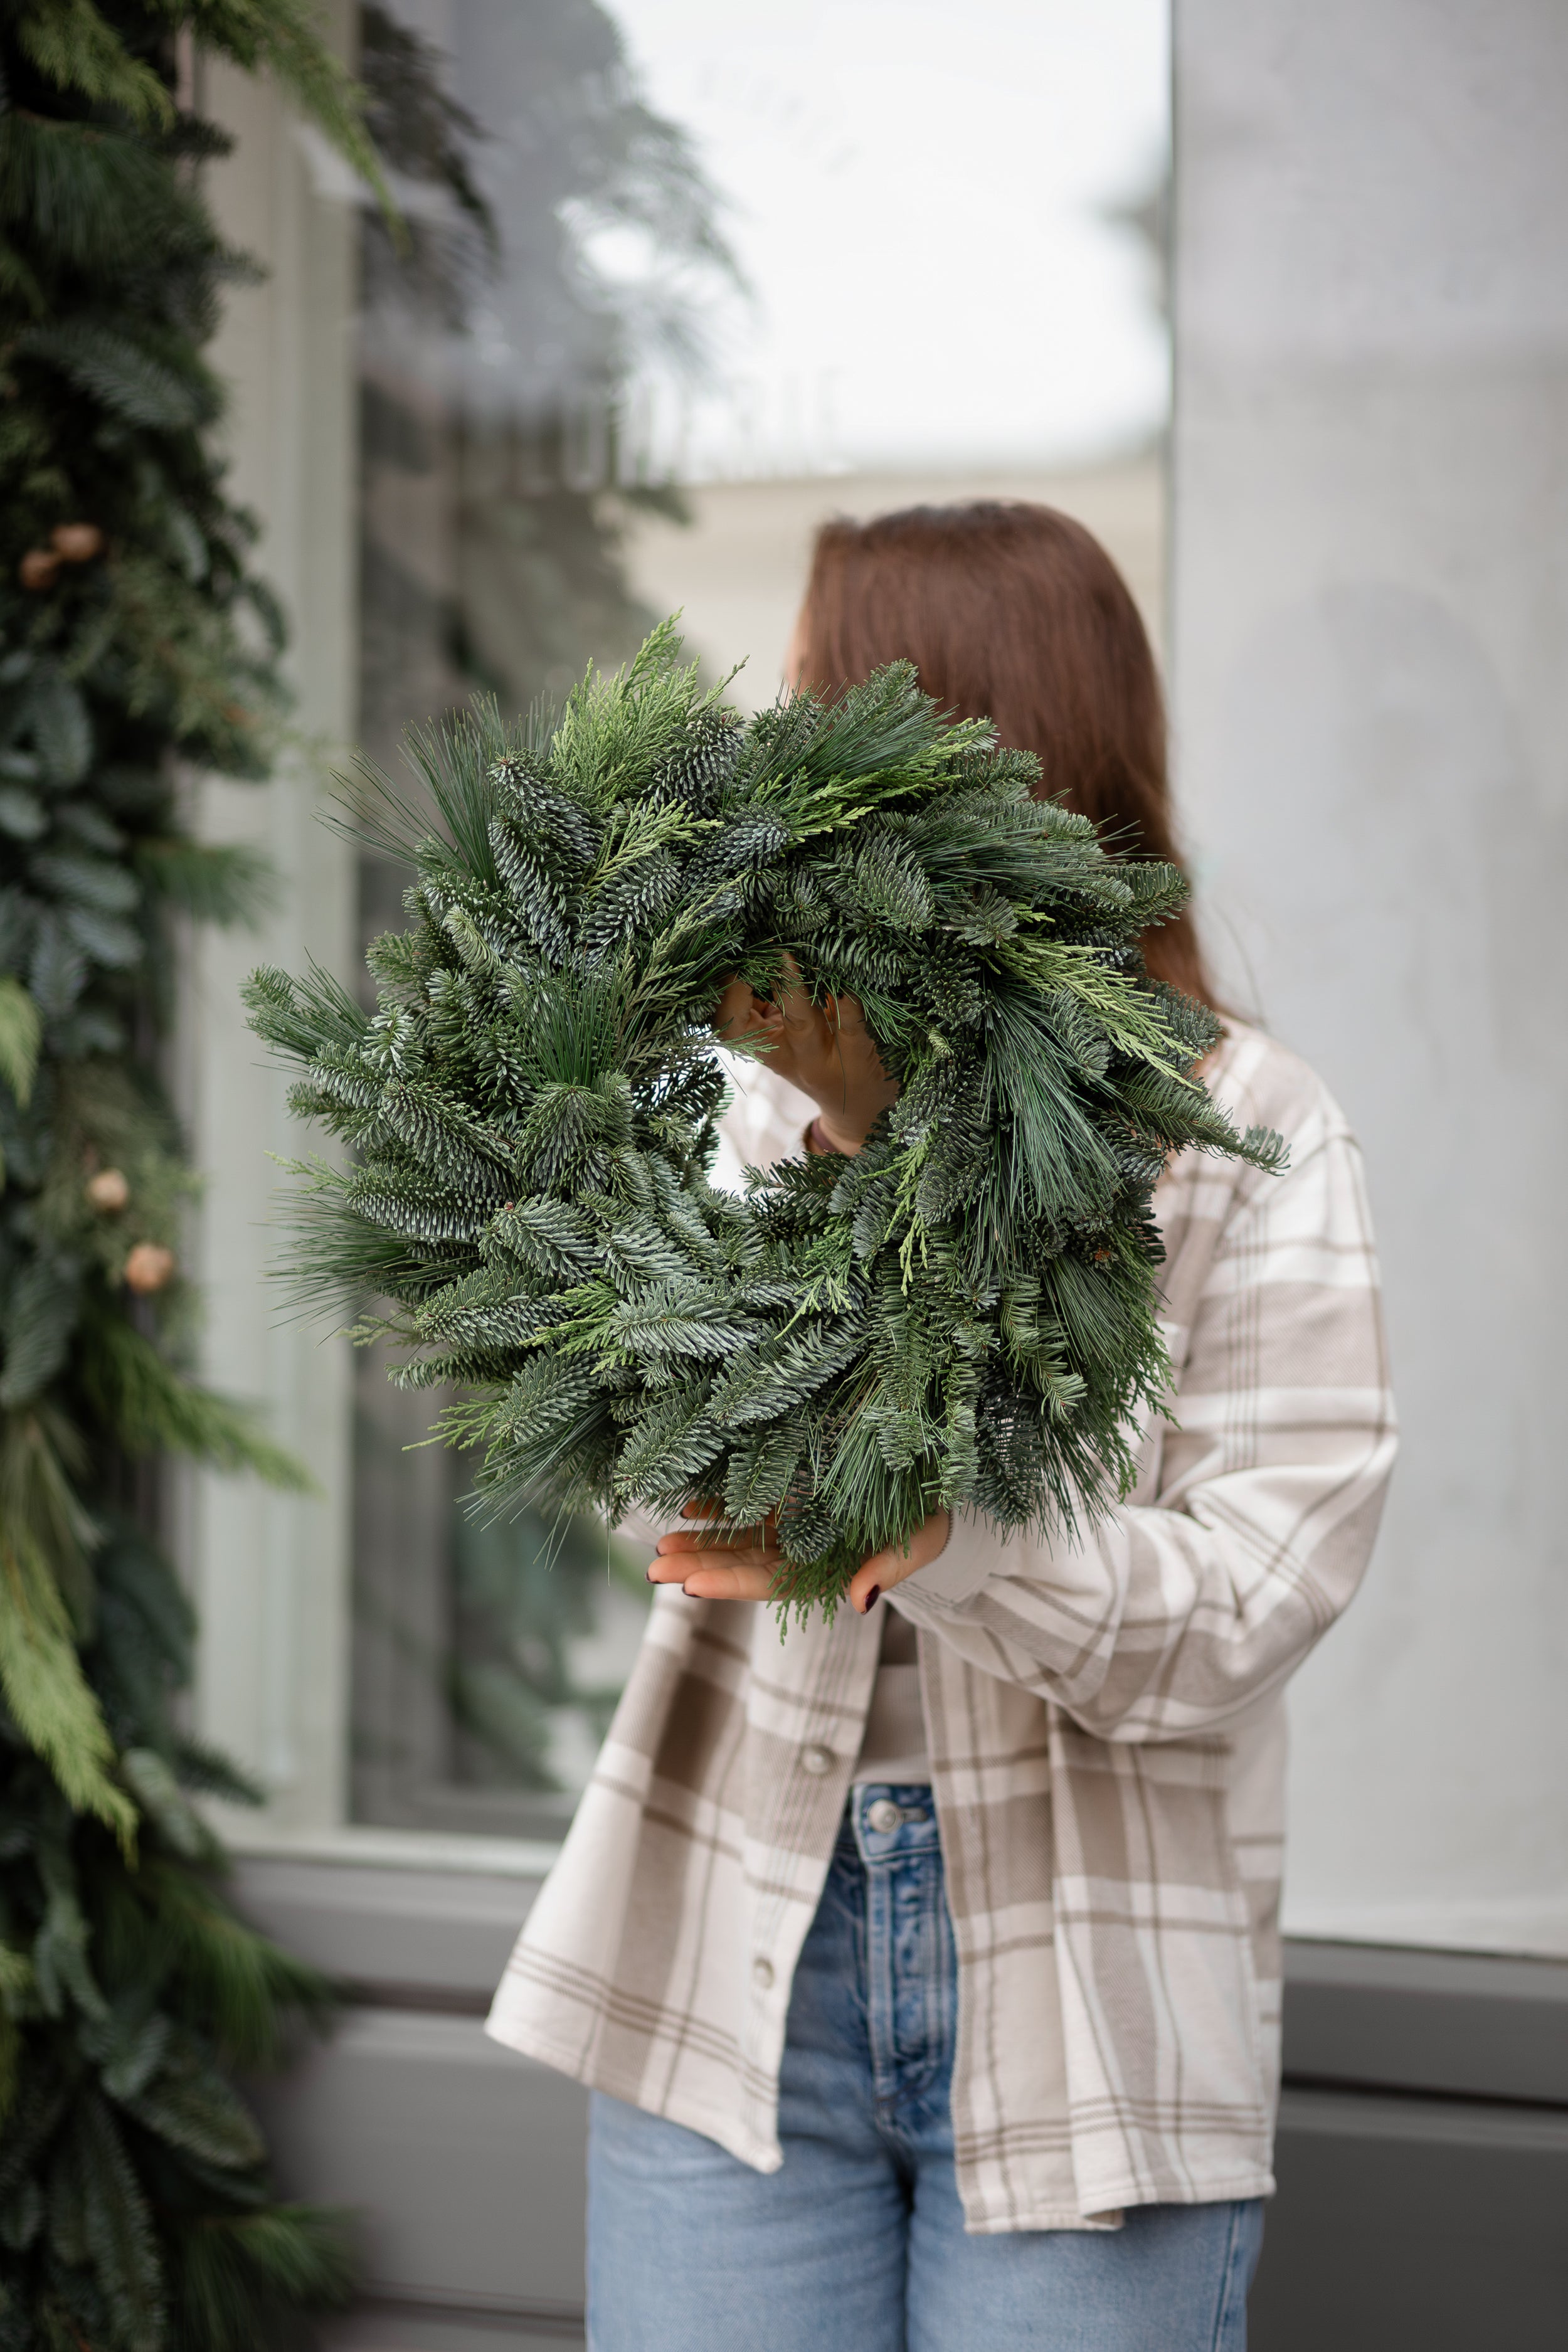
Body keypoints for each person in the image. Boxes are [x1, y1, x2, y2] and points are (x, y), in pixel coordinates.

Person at [485, 502, 1397, 2351]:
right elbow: (656, 1455)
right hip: (729, 1946)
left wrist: (951, 1542)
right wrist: (842, 1129)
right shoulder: (760, 1097)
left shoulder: (1249, 1130)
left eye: (822, 701)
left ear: (963, 742)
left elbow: (1249, 1599)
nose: (780, 748)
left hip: (1088, 1987)